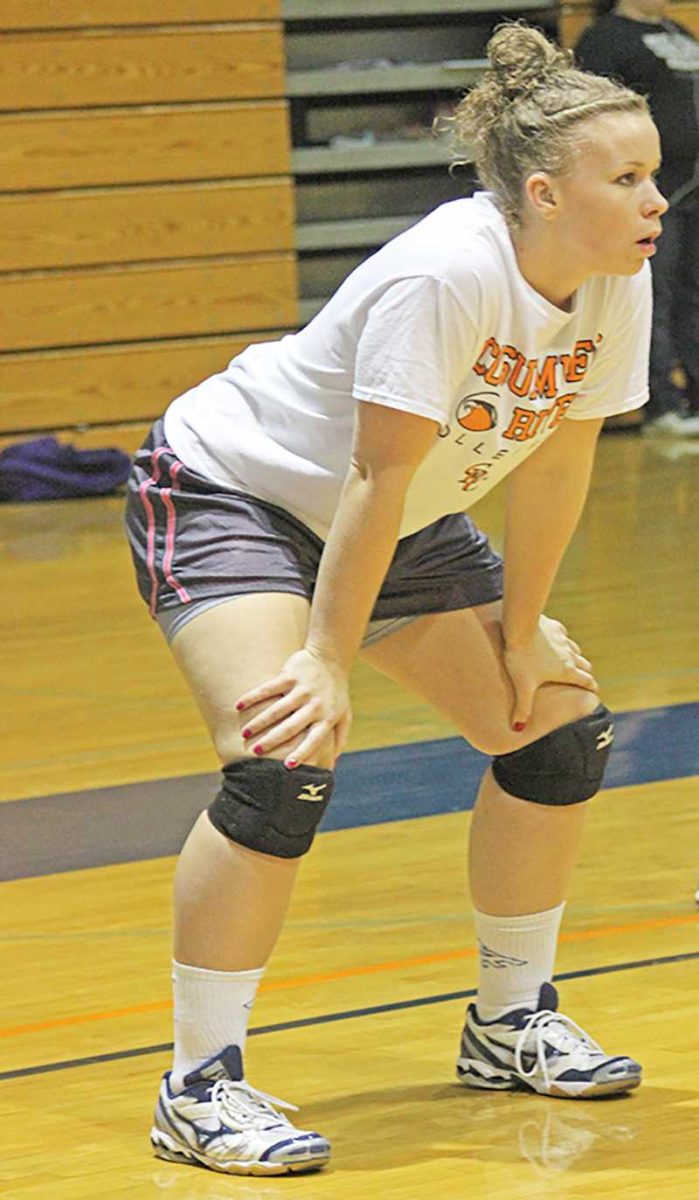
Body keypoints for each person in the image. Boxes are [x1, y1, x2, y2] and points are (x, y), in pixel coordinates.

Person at [125, 23, 664, 1177]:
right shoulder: (445, 272)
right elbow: (372, 474)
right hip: (240, 493)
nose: (654, 197)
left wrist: (520, 635)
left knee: (556, 729)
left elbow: (560, 465)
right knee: (284, 760)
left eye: (653, 173)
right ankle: (198, 1083)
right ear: (543, 193)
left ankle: (508, 1021)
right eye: (626, 178)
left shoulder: (616, 280)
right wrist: (324, 656)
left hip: (403, 518)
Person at [575, 0, 699, 436]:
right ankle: (660, 406)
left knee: (693, 295)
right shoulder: (604, 38)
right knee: (652, 293)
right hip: (648, 192)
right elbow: (591, 117)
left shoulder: (679, 31)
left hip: (693, 190)